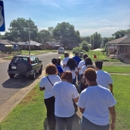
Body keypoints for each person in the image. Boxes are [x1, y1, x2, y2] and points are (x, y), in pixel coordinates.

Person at [39, 64, 61, 130]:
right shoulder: (57, 77)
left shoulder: (44, 78)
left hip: (47, 97)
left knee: (49, 111)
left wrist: (46, 88)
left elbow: (41, 88)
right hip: (55, 97)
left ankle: (50, 124)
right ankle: (54, 123)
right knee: (54, 110)